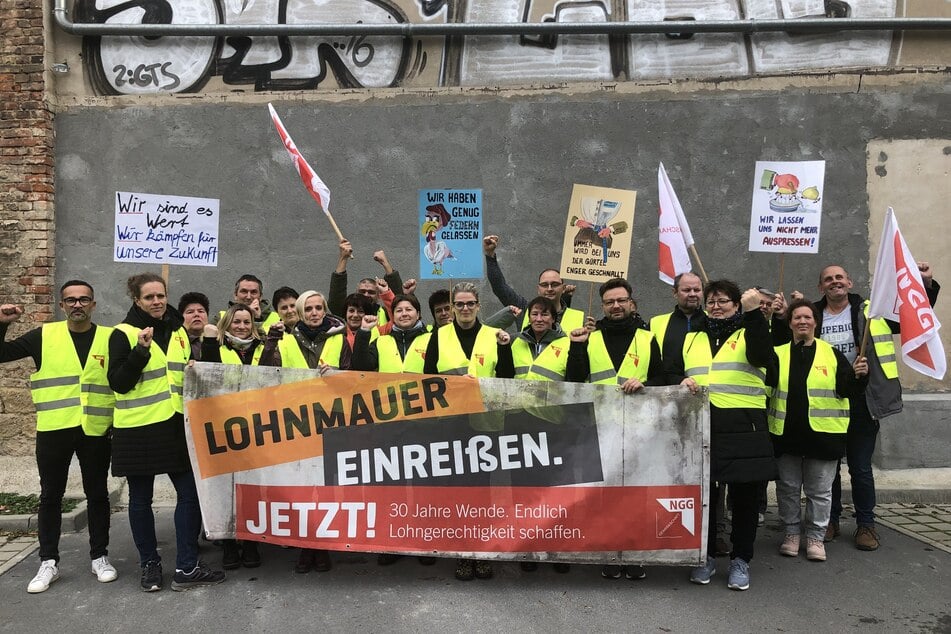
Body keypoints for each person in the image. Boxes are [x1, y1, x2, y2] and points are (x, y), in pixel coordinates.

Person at [787, 263, 939, 550]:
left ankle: (866, 525)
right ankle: (828, 521)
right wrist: (787, 309)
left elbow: (914, 317)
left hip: (863, 401)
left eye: (839, 278)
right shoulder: (814, 315)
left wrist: (926, 285)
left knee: (860, 468)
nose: (835, 282)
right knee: (828, 467)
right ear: (821, 288)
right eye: (828, 279)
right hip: (827, 400)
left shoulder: (873, 312)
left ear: (850, 282)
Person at [108, 272, 225, 592]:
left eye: (161, 295)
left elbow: (186, 376)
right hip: (137, 428)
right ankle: (150, 565)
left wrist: (193, 370)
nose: (157, 301)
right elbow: (118, 382)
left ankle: (186, 567)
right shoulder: (123, 333)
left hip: (175, 425)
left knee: (189, 494)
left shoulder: (178, 332)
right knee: (140, 499)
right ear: (136, 300)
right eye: (149, 297)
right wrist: (140, 351)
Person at [0, 281, 116, 594]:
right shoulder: (44, 335)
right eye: (70, 300)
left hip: (95, 429)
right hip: (54, 429)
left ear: (93, 304)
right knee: (51, 495)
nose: (77, 304)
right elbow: (2, 353)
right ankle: (48, 561)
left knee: (98, 494)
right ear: (61, 305)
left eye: (84, 300)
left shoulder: (109, 337)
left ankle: (99, 556)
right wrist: (2, 323)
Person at [566, 278, 663, 581]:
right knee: (605, 494)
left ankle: (633, 553)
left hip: (640, 429)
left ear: (632, 303)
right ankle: (609, 550)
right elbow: (574, 380)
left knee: (637, 493)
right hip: (601, 426)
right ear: (603, 305)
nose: (616, 306)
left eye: (621, 300)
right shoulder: (589, 337)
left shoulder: (648, 339)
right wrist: (576, 347)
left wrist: (646, 385)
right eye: (609, 302)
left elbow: (662, 381)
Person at [685, 280, 776, 591]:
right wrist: (682, 381)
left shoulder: (752, 329)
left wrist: (754, 316)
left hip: (744, 427)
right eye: (711, 300)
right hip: (704, 425)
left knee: (745, 499)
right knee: (705, 499)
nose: (715, 305)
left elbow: (764, 357)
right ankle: (706, 557)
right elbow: (673, 370)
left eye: (723, 300)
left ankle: (741, 559)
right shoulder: (694, 336)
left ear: (737, 305)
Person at [423, 282, 511, 580]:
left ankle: (481, 552)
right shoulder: (438, 335)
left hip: (484, 426)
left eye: (469, 303)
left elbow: (507, 378)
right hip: (451, 426)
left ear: (478, 305)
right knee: (456, 493)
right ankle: (462, 553)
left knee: (483, 493)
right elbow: (429, 378)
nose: (463, 309)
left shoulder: (493, 336)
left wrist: (505, 348)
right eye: (458, 304)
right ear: (453, 306)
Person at [769, 299, 869, 562]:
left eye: (808, 317)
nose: (802, 321)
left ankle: (815, 537)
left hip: (823, 436)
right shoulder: (777, 353)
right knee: (788, 489)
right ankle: (791, 534)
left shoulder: (831, 353)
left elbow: (848, 390)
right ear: (790, 323)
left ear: (815, 322)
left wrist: (860, 375)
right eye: (797, 317)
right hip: (785, 435)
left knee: (820, 492)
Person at [493, 296, 571, 573]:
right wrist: (503, 349)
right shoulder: (515, 343)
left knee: (554, 490)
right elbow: (503, 375)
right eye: (535, 314)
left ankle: (557, 548)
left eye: (544, 314)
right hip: (519, 424)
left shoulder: (567, 344)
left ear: (553, 318)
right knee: (524, 491)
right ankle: (529, 546)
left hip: (553, 426)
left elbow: (575, 378)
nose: (539, 319)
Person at [200, 304, 281, 569]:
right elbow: (209, 375)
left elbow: (273, 377)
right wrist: (209, 340)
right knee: (225, 488)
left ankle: (250, 542)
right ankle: (228, 543)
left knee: (252, 487)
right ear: (227, 325)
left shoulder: (263, 347)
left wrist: (271, 344)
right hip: (224, 427)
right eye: (237, 322)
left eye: (247, 322)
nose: (243, 327)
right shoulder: (217, 347)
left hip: (257, 428)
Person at [279, 290, 345, 573]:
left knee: (326, 487)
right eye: (310, 309)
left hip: (332, 420)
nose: (315, 313)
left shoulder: (340, 338)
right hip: (298, 421)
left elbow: (357, 375)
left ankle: (323, 547)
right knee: (302, 488)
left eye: (319, 308)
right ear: (301, 312)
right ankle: (306, 546)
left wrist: (338, 374)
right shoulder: (286, 339)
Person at [483, 234, 583, 331]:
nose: (549, 289)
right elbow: (499, 287)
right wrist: (490, 255)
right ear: (538, 289)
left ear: (563, 288)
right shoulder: (524, 310)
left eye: (555, 284)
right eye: (544, 285)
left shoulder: (576, 317)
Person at [328, 240, 403, 323]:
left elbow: (399, 302)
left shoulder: (386, 314)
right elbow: (336, 300)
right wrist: (343, 258)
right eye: (362, 291)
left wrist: (385, 263)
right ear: (356, 293)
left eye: (371, 292)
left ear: (379, 296)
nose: (366, 295)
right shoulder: (348, 313)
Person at [178, 292, 209, 360]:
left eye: (201, 311)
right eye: (190, 312)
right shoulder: (175, 343)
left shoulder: (220, 341)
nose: (196, 315)